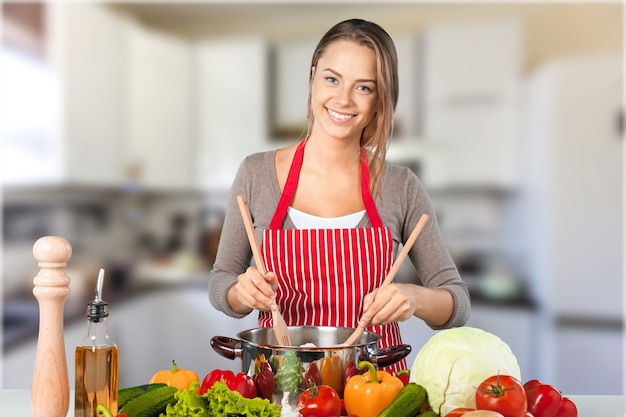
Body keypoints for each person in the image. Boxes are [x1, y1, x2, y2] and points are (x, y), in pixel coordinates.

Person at [208, 18, 470, 373]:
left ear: (380, 100)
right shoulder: (256, 174)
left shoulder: (401, 186)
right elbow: (221, 279)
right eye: (332, 79)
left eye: (364, 87)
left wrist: (416, 298)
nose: (343, 99)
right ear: (313, 76)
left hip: (375, 390)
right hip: (282, 384)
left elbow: (458, 303)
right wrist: (241, 293)